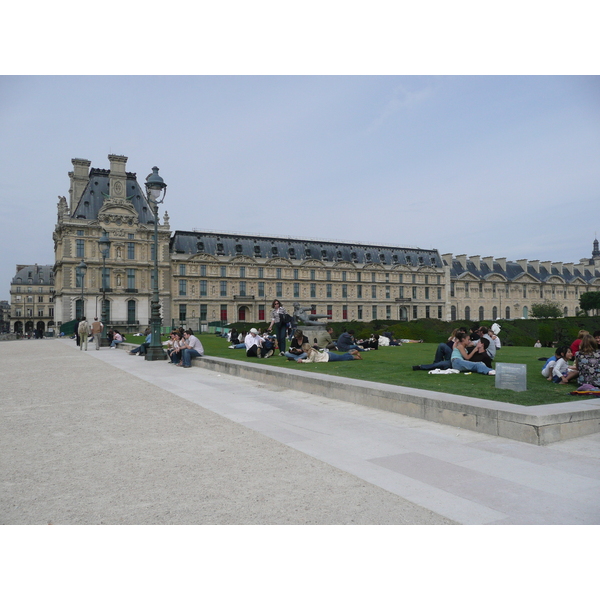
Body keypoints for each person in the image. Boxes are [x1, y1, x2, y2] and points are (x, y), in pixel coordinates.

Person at [297, 343, 362, 363]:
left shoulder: (312, 352)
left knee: (342, 358)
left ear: (305, 349)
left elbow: (311, 360)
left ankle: (354, 356)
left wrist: (302, 361)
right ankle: (353, 353)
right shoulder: (311, 351)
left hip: (329, 357)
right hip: (329, 355)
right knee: (341, 357)